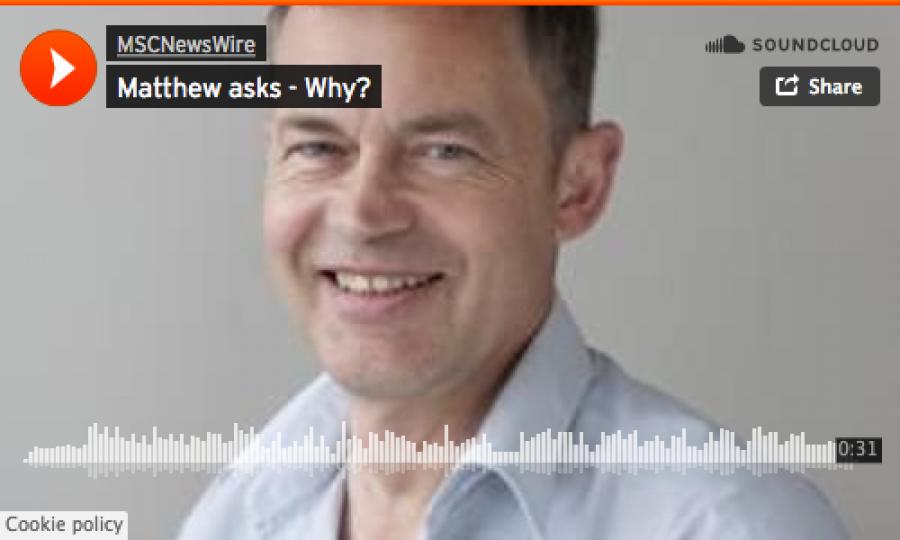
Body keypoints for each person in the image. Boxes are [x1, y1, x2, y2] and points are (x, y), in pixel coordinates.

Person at [180, 6, 849, 539]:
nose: (362, 214)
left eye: (445, 151)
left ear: (578, 186)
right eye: (317, 146)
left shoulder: (726, 525)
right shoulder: (236, 514)